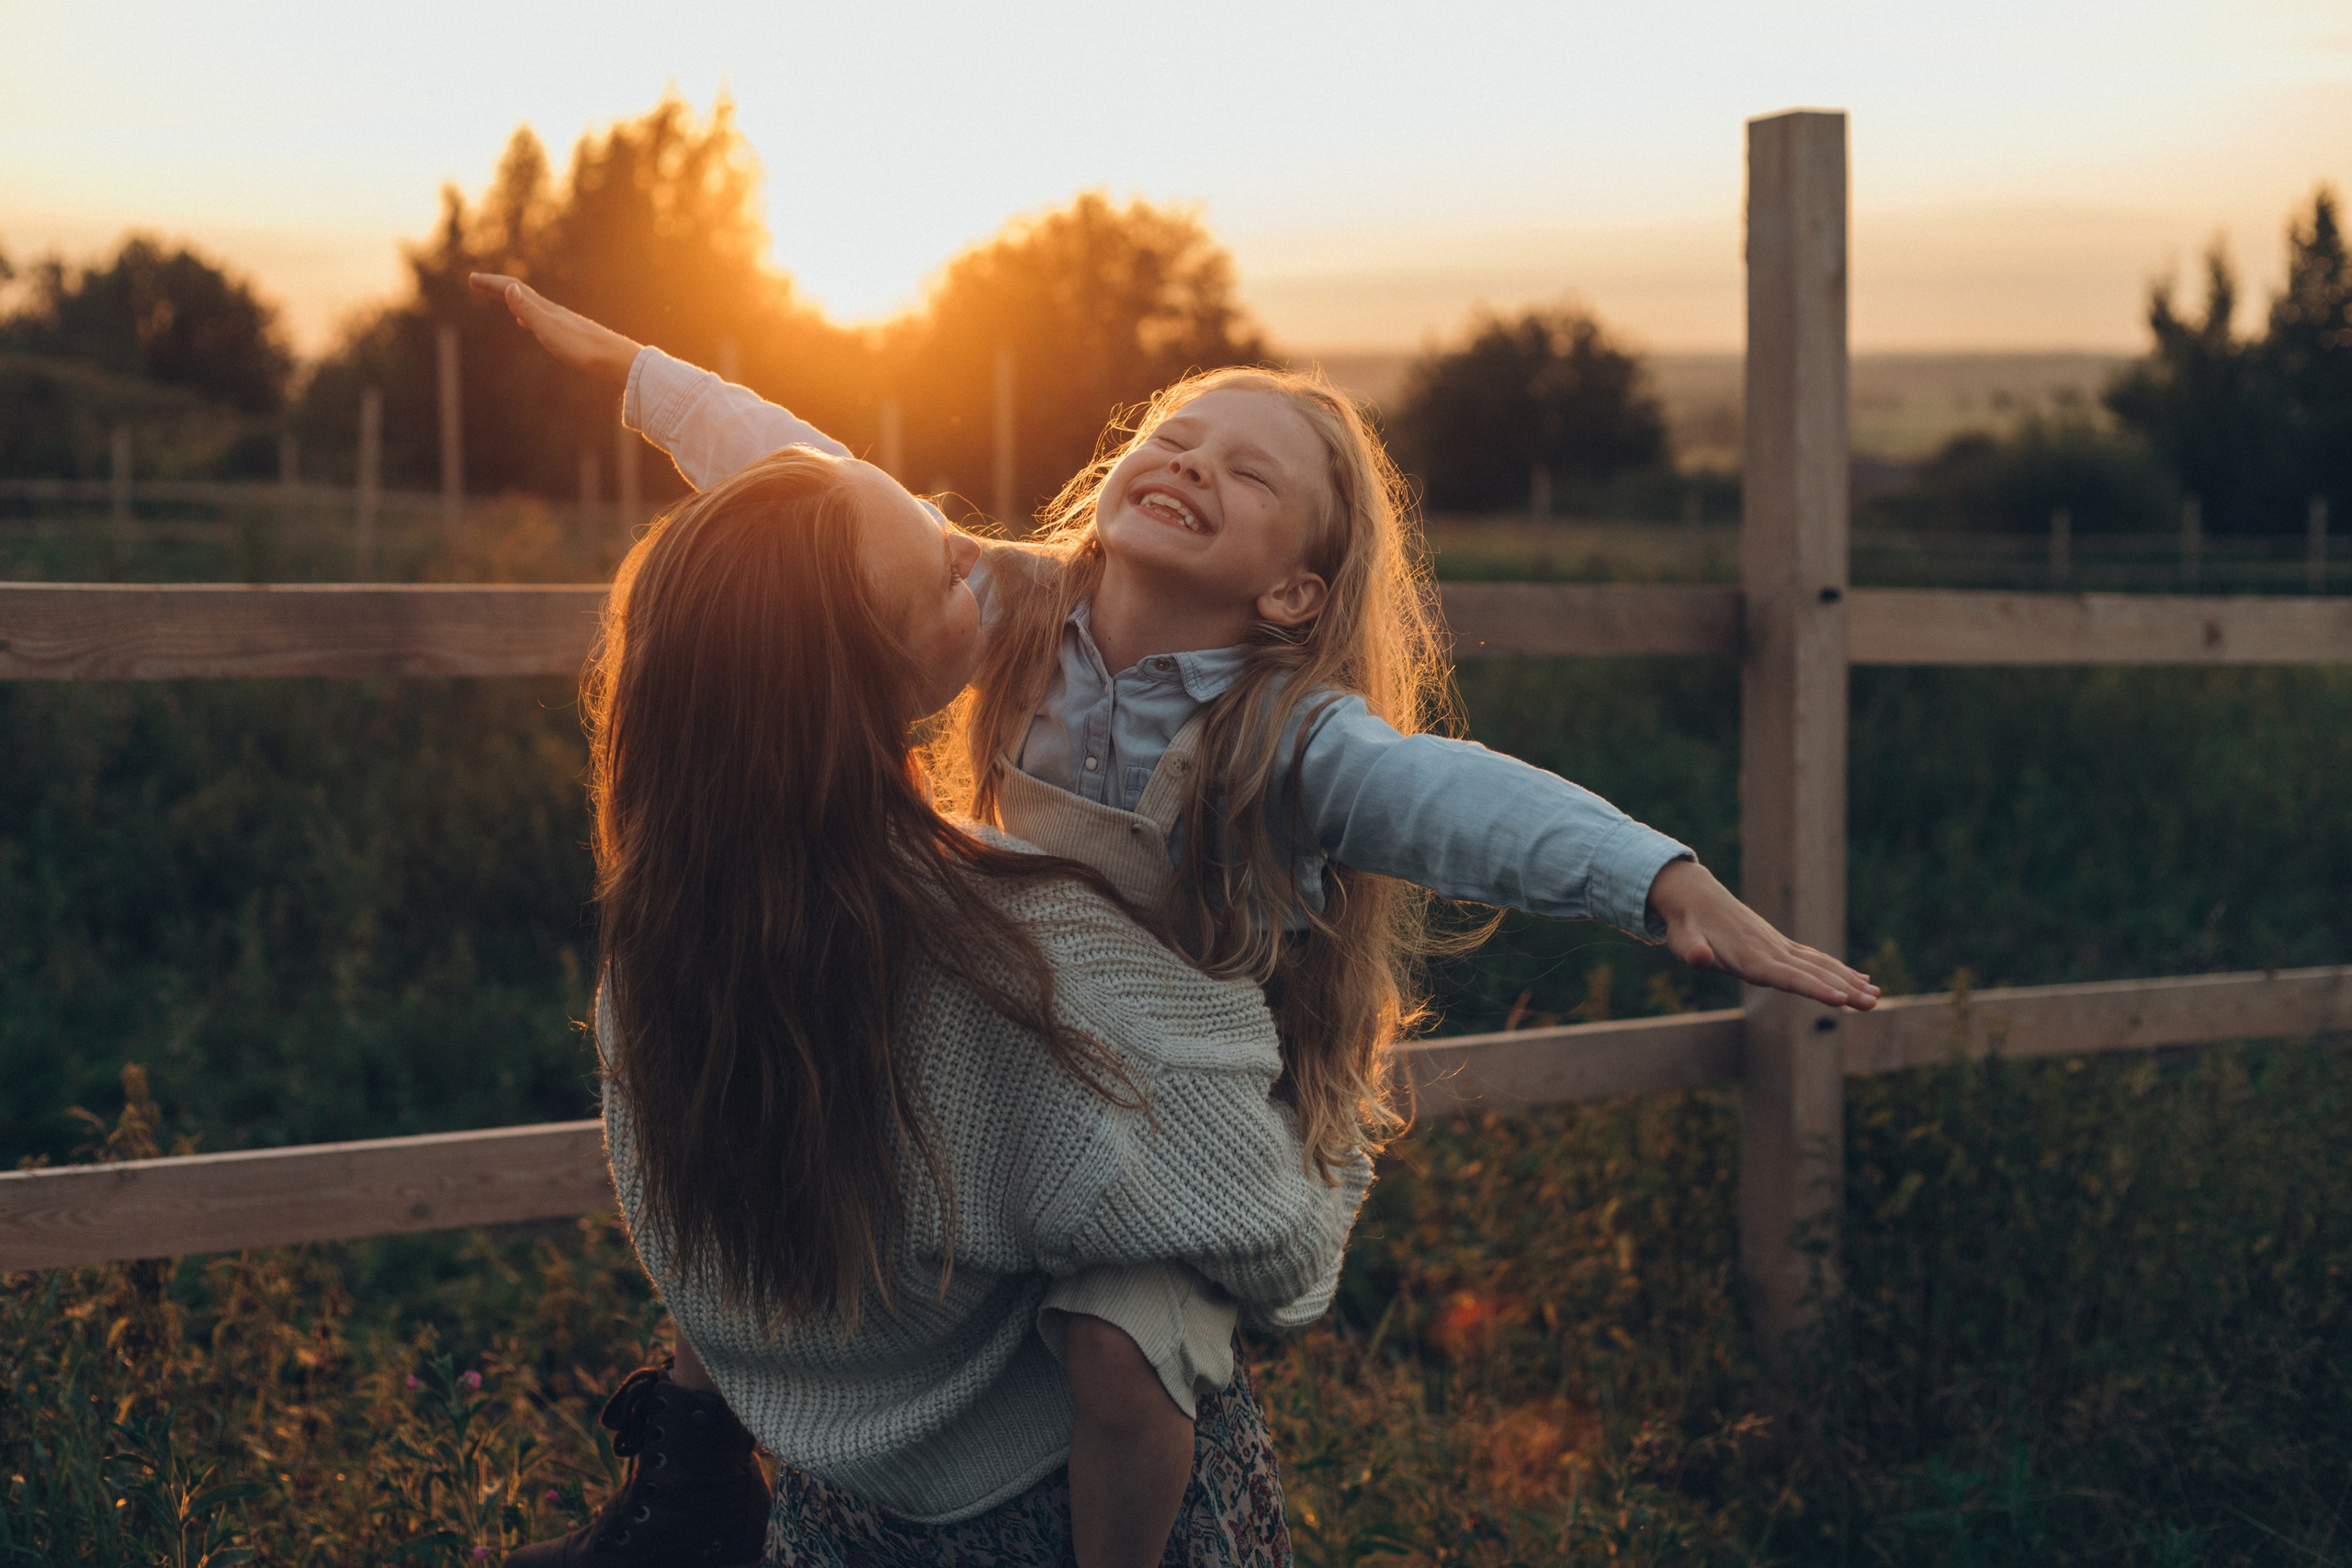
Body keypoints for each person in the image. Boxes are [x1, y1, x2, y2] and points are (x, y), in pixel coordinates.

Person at [475, 272, 1877, 1564]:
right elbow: (826, 499)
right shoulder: (1023, 603)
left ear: (1293, 591)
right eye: (1178, 435)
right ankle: (695, 1469)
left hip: (1188, 1100)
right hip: (1037, 1045)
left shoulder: (1292, 734)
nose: (1195, 460)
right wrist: (641, 374)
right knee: (788, 1142)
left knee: (1116, 1346)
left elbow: (1455, 792)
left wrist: (1658, 878)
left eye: (1249, 470)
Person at [528, 441, 1368, 1568]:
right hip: (1061, 1509)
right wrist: (1336, 1126)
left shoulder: (658, 946)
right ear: (890, 668)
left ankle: (681, 1488)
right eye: (939, 568)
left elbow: (710, 1260)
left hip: (827, 1510)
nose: (966, 547)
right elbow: (1268, 1236)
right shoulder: (1019, 954)